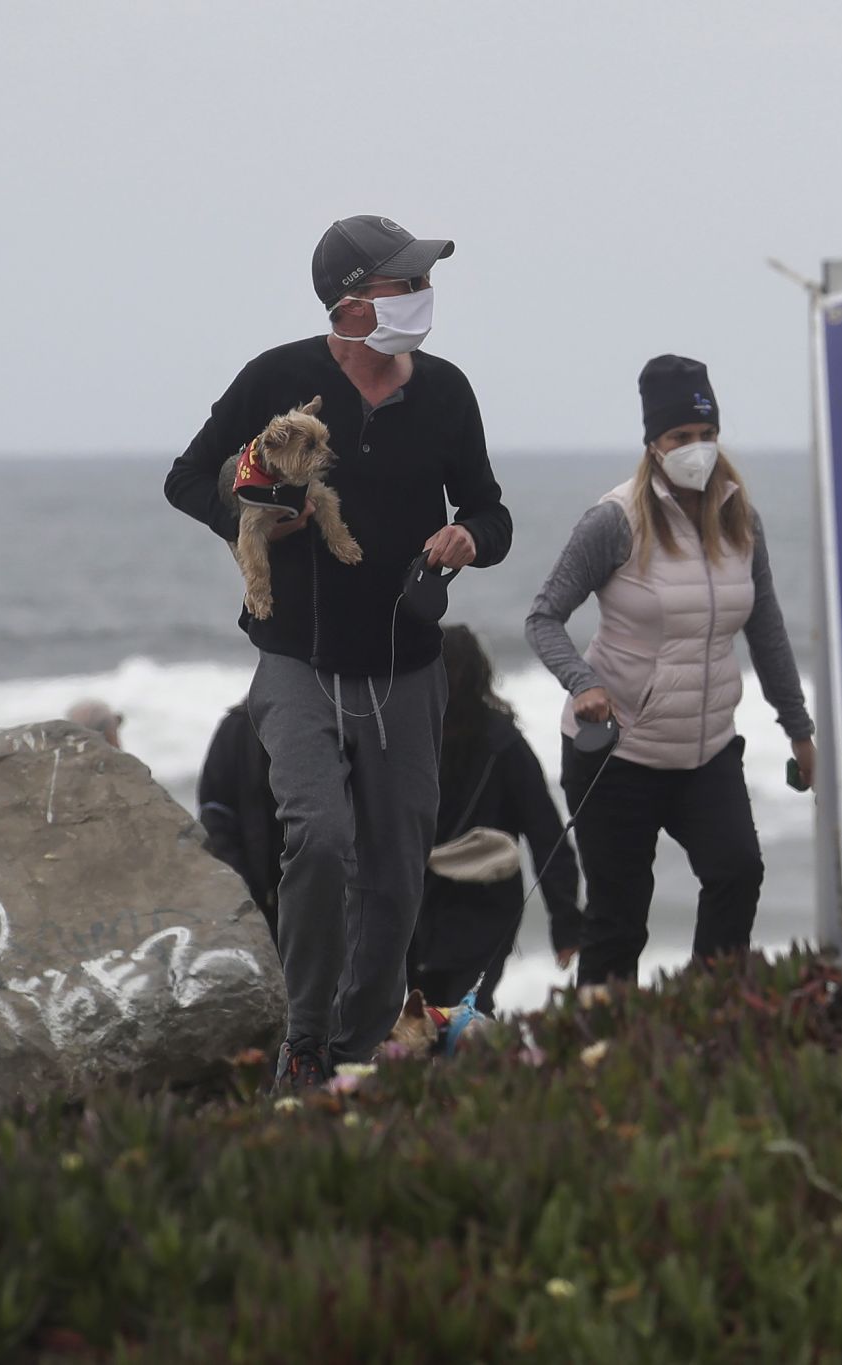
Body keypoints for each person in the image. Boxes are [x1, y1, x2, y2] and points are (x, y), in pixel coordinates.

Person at [164, 215, 512, 1088]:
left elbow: (493, 514)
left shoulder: (446, 391)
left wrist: (469, 534)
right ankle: (307, 1039)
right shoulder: (277, 378)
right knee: (319, 839)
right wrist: (245, 520)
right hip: (297, 658)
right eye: (406, 285)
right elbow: (187, 476)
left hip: (405, 661)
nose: (424, 299)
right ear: (354, 306)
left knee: (396, 872)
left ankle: (354, 1052)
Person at [526, 355, 815, 986]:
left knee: (738, 872)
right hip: (617, 756)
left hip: (706, 750)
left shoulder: (741, 519)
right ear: (654, 443)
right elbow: (544, 618)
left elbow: (766, 632)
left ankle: (709, 1020)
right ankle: (601, 1059)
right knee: (619, 923)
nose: (697, 450)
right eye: (681, 437)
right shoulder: (615, 520)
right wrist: (585, 683)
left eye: (707, 436)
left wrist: (799, 729)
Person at [407, 625, 581, 1016]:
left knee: (433, 1017)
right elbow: (547, 833)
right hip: (475, 907)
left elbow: (544, 833)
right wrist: (565, 922)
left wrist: (566, 921)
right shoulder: (503, 744)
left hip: (438, 906)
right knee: (458, 1015)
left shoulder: (413, 740)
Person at [196, 702, 281, 939]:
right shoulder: (238, 726)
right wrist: (240, 884)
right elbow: (214, 814)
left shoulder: (326, 721)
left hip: (319, 893)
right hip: (257, 892)